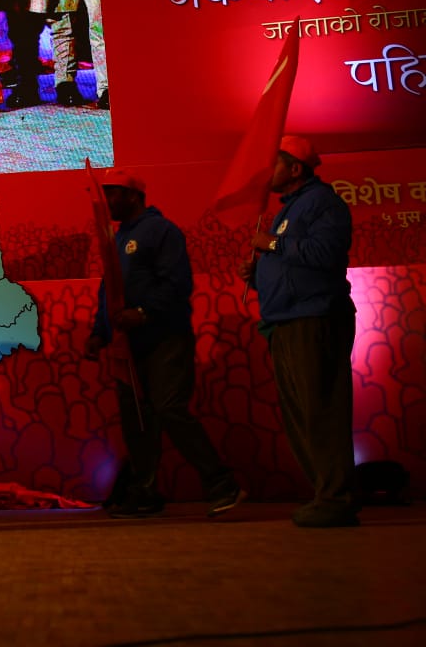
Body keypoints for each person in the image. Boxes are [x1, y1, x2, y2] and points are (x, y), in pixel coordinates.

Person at [86, 168, 244, 519]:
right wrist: (100, 332)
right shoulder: (118, 237)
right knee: (137, 420)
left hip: (165, 338)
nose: (107, 201)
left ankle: (222, 485)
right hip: (128, 344)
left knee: (169, 407)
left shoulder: (162, 231)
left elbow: (178, 284)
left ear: (133, 196)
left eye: (113, 193)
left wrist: (143, 313)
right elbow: (109, 290)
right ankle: (144, 492)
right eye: (104, 193)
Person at [240, 136, 358, 528]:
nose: (267, 172)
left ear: (295, 168)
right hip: (286, 321)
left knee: (321, 411)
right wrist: (258, 276)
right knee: (303, 416)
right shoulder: (288, 209)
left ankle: (336, 498)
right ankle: (326, 494)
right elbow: (291, 268)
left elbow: (326, 255)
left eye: (274, 163)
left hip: (315, 319)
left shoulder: (322, 202)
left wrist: (272, 244)